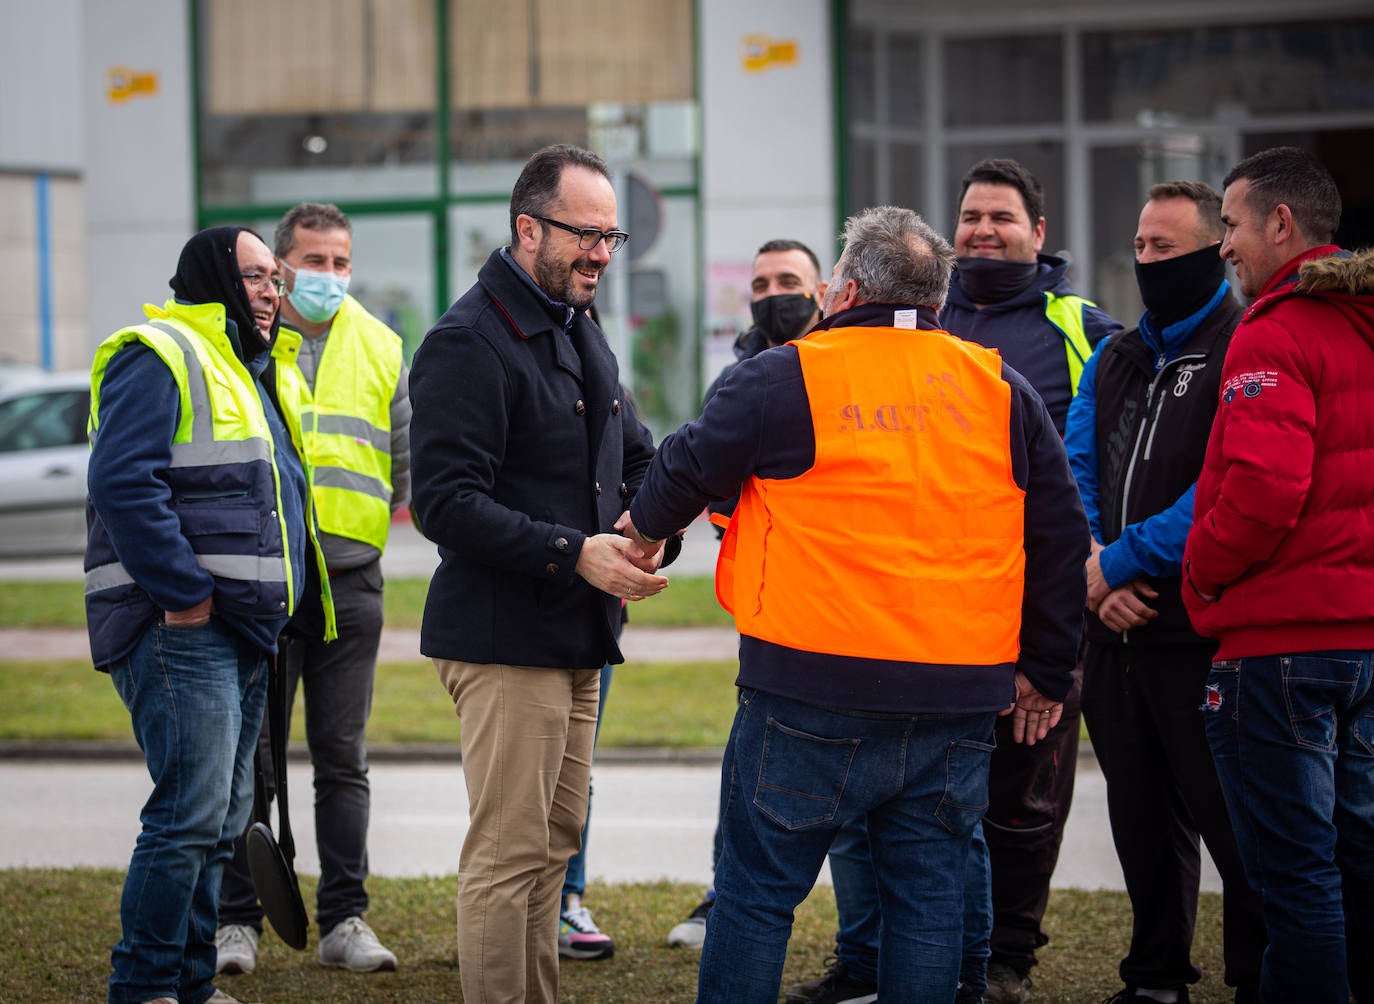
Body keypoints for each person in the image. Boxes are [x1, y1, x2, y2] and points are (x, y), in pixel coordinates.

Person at [620, 205, 1089, 1003]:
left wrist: (641, 529)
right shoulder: (1000, 389)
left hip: (809, 689)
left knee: (758, 895)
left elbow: (685, 466)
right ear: (940, 297)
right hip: (954, 695)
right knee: (927, 903)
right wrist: (1045, 668)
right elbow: (1059, 536)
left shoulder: (785, 373)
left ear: (843, 288)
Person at [788, 158, 1120, 1004]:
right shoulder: (929, 314)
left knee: (1021, 802)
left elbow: (1112, 465)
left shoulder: (1082, 328)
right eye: (970, 216)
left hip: (1044, 604)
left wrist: (1108, 568)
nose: (983, 230)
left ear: (1038, 233)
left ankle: (1002, 960)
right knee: (906, 812)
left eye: (1001, 217)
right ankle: (880, 961)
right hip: (925, 615)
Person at [408, 143, 675, 1004]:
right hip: (503, 640)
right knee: (508, 854)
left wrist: (647, 527)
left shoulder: (578, 327)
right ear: (528, 229)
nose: (602, 253)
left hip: (577, 636)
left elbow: (633, 457)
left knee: (556, 846)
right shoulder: (466, 341)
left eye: (612, 236)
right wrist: (576, 552)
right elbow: (445, 503)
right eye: (585, 235)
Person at [86, 226, 328, 1004]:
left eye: (275, 280)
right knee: (188, 816)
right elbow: (126, 485)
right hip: (179, 629)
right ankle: (147, 983)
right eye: (257, 277)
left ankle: (189, 982)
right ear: (214, 278)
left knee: (221, 822)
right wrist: (185, 595)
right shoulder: (156, 353)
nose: (271, 292)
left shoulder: (252, 370)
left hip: (242, 630)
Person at [1064, 181, 1266, 1003]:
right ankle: (1155, 978)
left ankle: (1257, 977)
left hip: (1200, 631)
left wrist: (1121, 562)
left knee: (1234, 824)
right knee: (1140, 818)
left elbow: (1224, 487)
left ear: (1212, 251)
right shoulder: (1115, 355)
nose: (1149, 262)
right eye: (1141, 247)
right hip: (1113, 634)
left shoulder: (1246, 343)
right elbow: (1071, 469)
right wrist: (1091, 568)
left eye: (1166, 249)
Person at [1184, 146, 1374, 1004]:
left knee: (1293, 876)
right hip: (1362, 643)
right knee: (1358, 861)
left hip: (1280, 651)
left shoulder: (1276, 327)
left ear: (1281, 224)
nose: (1223, 246)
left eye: (1229, 224)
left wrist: (1204, 574)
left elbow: (1263, 490)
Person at [214, 202, 408, 976]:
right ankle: (237, 922)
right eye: (315, 261)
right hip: (263, 585)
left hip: (351, 582)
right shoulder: (243, 341)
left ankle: (344, 920)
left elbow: (407, 468)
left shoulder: (383, 345)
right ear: (282, 265)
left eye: (341, 261)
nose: (330, 275)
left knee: (342, 757)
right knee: (250, 760)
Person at [666, 237, 827, 950]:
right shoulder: (738, 377)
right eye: (761, 282)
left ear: (823, 292)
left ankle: (862, 943)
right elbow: (716, 493)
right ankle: (720, 899)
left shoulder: (842, 367)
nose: (773, 292)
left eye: (789, 279)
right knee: (749, 770)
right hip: (768, 607)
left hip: (846, 604)